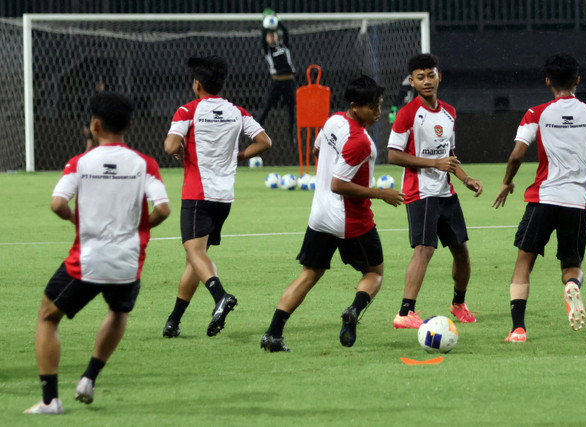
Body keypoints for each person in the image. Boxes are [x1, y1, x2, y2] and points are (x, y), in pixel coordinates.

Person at [24, 92, 171, 414]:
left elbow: (57, 204)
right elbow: (163, 208)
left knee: (47, 317)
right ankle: (89, 378)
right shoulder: (145, 163)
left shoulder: (80, 162)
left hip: (87, 260)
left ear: (94, 124)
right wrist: (139, 228)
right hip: (128, 261)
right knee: (119, 312)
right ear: (130, 125)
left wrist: (74, 217)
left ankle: (50, 400)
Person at [260, 75, 404, 352]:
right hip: (350, 220)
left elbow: (317, 150)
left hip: (320, 215)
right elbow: (338, 184)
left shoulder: (333, 121)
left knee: (308, 274)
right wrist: (379, 193)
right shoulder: (359, 140)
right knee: (374, 272)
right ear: (354, 106)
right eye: (372, 107)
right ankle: (354, 309)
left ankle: (272, 335)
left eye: (379, 105)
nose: (377, 112)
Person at [492, 53, 586, 343]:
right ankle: (572, 284)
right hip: (576, 203)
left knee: (524, 264)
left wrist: (507, 182)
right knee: (571, 266)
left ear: (548, 80)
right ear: (577, 80)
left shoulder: (537, 113)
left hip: (543, 199)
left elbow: (516, 155)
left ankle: (518, 329)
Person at [162, 56, 272, 338]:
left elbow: (170, 145)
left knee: (195, 253)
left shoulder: (188, 110)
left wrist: (178, 150)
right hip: (224, 198)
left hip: (197, 195)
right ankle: (174, 321)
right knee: (195, 259)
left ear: (197, 84)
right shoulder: (237, 112)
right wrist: (242, 154)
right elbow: (265, 141)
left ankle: (220, 296)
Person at [387, 53, 483, 330]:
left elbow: (449, 155)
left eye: (431, 75)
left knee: (462, 252)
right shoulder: (407, 115)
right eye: (420, 77)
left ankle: (459, 303)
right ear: (412, 81)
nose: (426, 81)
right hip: (421, 193)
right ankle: (405, 312)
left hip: (446, 193)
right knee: (424, 249)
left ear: (439, 76)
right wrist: (433, 163)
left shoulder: (449, 112)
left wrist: (465, 179)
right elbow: (393, 155)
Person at [257, 9, 296, 135]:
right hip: (277, 81)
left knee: (291, 108)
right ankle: (256, 131)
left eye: (274, 34)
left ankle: (291, 133)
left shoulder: (284, 46)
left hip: (289, 81)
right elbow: (263, 38)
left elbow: (285, 32)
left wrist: (277, 21)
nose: (272, 36)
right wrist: (266, 24)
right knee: (266, 107)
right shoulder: (267, 50)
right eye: (270, 35)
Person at [83, 79, 105, 152]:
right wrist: (86, 125)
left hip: (103, 125)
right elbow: (88, 112)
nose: (100, 86)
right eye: (99, 84)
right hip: (94, 124)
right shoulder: (93, 98)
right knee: (90, 145)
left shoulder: (107, 98)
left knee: (98, 146)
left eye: (101, 84)